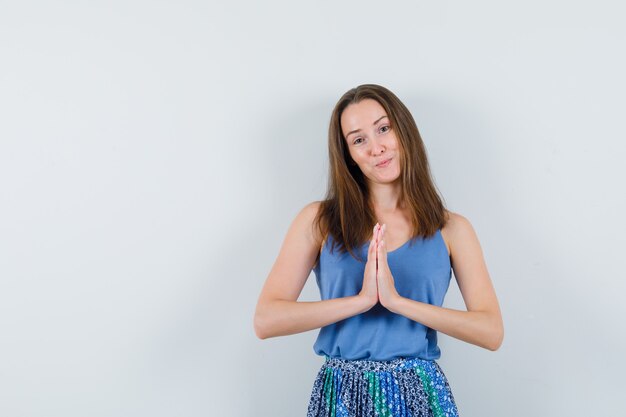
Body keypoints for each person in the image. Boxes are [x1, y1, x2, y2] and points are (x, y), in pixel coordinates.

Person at [253, 84, 504, 416]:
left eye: (383, 128)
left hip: (419, 393)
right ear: (349, 156)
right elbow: (266, 320)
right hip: (342, 394)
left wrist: (397, 302)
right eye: (358, 140)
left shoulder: (452, 229)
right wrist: (361, 301)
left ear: (403, 130)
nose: (376, 148)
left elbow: (491, 332)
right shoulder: (319, 220)